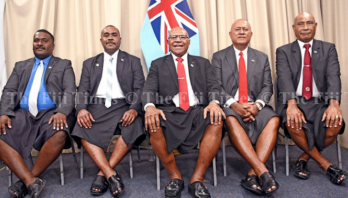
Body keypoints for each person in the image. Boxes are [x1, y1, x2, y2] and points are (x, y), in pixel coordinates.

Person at [0, 29, 76, 198]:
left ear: (52, 46)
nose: (39, 43)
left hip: (51, 112)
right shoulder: (20, 65)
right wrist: (4, 113)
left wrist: (62, 112)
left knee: (60, 132)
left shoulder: (63, 64)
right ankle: (31, 181)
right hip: (23, 113)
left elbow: (70, 90)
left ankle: (25, 180)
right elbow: (9, 91)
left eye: (44, 40)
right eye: (36, 40)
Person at [142, 26, 224, 198]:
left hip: (196, 110)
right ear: (168, 42)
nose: (178, 40)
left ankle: (197, 179)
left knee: (216, 119)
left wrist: (215, 102)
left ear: (188, 41)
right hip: (170, 111)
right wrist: (149, 106)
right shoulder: (157, 64)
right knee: (154, 122)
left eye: (182, 37)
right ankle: (175, 176)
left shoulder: (202, 63)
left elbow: (213, 86)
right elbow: (149, 88)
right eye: (174, 37)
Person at [72, 25, 145, 197]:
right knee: (81, 126)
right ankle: (111, 174)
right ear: (101, 40)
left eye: (114, 35)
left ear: (120, 39)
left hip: (124, 105)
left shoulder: (133, 61)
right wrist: (81, 109)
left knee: (134, 126)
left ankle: (102, 174)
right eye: (106, 35)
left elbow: (140, 88)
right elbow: (82, 90)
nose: (110, 38)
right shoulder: (89, 63)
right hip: (96, 105)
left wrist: (134, 109)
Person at [276, 12, 347, 185]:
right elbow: (283, 78)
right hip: (295, 101)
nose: (305, 27)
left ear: (315, 26)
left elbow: (333, 76)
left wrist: (334, 104)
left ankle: (303, 159)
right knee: (293, 122)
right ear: (294, 28)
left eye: (309, 23)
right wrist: (291, 105)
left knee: (336, 122)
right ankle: (326, 164)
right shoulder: (283, 51)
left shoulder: (328, 48)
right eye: (301, 24)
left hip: (320, 102)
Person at [212, 19, 280, 195]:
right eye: (237, 29)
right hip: (230, 106)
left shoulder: (261, 57)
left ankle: (252, 174)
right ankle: (263, 171)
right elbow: (216, 87)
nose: (241, 32)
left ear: (251, 34)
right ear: (230, 34)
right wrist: (234, 105)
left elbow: (267, 87)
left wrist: (257, 105)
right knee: (230, 119)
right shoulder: (219, 57)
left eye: (245, 29)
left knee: (273, 119)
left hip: (255, 105)